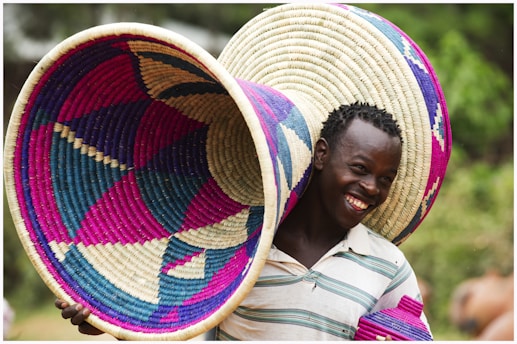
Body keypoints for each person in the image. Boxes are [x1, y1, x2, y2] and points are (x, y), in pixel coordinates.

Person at [55, 102, 431, 340]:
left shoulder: (389, 267)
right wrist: (99, 318)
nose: (371, 187)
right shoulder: (237, 243)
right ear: (321, 155)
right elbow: (158, 317)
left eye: (385, 179)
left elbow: (411, 336)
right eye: (361, 168)